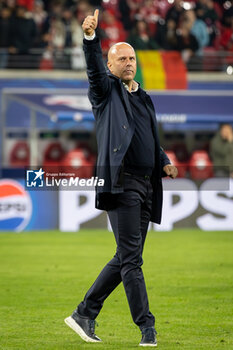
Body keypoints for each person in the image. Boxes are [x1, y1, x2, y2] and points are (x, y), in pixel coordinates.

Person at [64, 9, 178, 347]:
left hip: (147, 185)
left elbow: (148, 139)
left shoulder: (144, 97)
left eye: (131, 58)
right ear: (111, 67)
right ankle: (147, 327)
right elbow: (93, 69)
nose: (128, 62)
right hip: (121, 183)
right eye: (121, 59)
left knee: (126, 257)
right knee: (132, 259)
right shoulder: (105, 93)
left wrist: (164, 160)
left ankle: (85, 312)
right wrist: (90, 39)